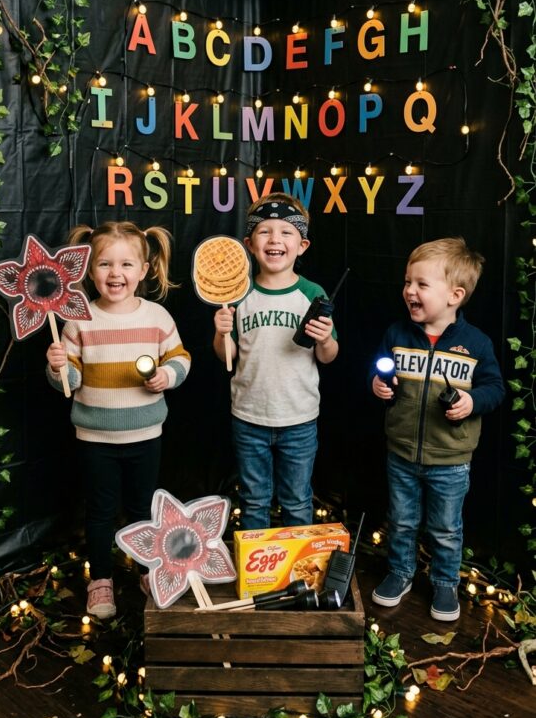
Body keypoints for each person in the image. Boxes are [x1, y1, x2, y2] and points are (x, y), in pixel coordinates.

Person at [46, 221, 190, 619]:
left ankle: (147, 571)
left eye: (126, 264)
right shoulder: (78, 320)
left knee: (144, 509)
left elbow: (180, 358)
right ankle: (101, 580)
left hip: (146, 434)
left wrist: (167, 376)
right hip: (95, 437)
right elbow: (70, 382)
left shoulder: (157, 317)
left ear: (143, 270)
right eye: (105, 264)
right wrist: (58, 367)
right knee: (100, 511)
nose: (115, 273)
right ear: (90, 270)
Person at [370, 237, 505, 622]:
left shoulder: (476, 343)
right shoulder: (397, 334)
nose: (409, 291)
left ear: (454, 295)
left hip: (450, 460)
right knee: (401, 521)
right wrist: (378, 386)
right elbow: (381, 372)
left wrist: (471, 402)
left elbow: (495, 388)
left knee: (445, 527)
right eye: (407, 282)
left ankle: (445, 582)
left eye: (421, 284)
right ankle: (400, 572)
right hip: (401, 452)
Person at [213, 192, 339, 530]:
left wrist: (326, 339)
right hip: (248, 417)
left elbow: (328, 356)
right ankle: (259, 565)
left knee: (297, 499)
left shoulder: (312, 294)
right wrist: (221, 333)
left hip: (299, 418)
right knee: (254, 499)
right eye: (265, 231)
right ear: (249, 244)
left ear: (302, 245)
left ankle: (297, 562)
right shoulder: (237, 294)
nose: (275, 239)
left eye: (286, 232)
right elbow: (227, 356)